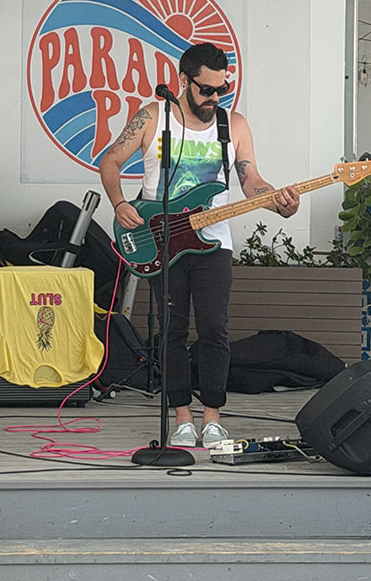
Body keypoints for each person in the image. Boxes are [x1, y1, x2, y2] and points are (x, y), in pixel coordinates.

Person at [98, 42, 300, 448]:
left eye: (220, 89)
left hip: (213, 242)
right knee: (172, 330)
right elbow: (110, 160)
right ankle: (182, 416)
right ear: (184, 81)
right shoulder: (152, 117)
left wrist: (276, 200)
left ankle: (212, 416)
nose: (213, 98)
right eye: (205, 89)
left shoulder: (234, 125)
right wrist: (120, 203)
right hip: (160, 239)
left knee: (214, 329)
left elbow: (251, 179)